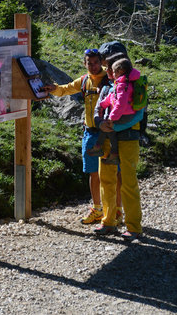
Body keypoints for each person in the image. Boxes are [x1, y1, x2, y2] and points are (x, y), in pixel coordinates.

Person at [42, 49, 123, 224]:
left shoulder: (110, 79)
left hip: (108, 134)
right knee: (93, 173)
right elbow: (66, 89)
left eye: (95, 62)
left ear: (101, 62)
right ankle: (97, 209)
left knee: (115, 174)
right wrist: (53, 89)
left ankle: (117, 210)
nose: (93, 66)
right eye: (89, 63)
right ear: (84, 63)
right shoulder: (85, 80)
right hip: (90, 133)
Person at [93, 54, 143, 241]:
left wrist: (110, 125)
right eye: (106, 67)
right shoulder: (108, 87)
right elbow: (98, 108)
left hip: (128, 137)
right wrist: (100, 123)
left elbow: (138, 115)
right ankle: (108, 222)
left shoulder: (134, 87)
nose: (106, 71)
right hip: (110, 137)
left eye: (109, 67)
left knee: (128, 181)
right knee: (106, 179)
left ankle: (134, 227)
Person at [87, 58, 139, 165]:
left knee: (109, 127)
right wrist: (102, 104)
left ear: (120, 71)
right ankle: (103, 149)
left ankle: (108, 151)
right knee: (108, 126)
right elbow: (112, 97)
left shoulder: (123, 85)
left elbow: (121, 103)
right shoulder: (121, 83)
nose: (110, 72)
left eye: (113, 71)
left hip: (125, 115)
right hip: (122, 114)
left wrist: (112, 117)